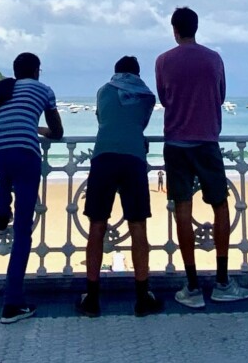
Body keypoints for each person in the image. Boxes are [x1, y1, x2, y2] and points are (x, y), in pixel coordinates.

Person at [155, 7, 248, 307]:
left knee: (182, 208)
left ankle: (193, 285)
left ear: (175, 30)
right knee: (220, 206)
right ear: (196, 28)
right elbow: (220, 95)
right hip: (207, 141)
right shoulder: (214, 59)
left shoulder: (163, 61)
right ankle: (222, 281)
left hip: (176, 143)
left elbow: (164, 98)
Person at [77, 56, 164, 318]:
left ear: (115, 73)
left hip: (103, 157)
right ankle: (142, 297)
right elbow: (139, 124)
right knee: (138, 226)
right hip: (133, 158)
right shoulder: (147, 96)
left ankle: (92, 298)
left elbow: (103, 119)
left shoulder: (103, 91)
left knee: (97, 225)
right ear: (137, 74)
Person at [0, 52, 63, 324]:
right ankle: (12, 303)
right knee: (23, 234)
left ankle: (2, 209)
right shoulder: (44, 90)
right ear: (37, 71)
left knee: (7, 166)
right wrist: (36, 129)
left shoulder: (3, 89)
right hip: (25, 155)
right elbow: (58, 131)